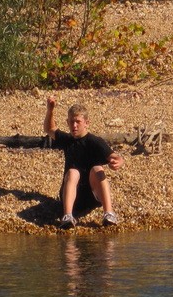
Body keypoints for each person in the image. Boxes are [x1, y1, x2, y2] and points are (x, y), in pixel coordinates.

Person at [44, 96, 124, 228]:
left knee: (98, 169)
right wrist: (50, 110)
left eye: (78, 122)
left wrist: (119, 161)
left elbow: (115, 156)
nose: (74, 126)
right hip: (71, 197)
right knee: (73, 172)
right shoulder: (67, 140)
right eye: (71, 122)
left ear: (86, 123)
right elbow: (49, 129)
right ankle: (68, 215)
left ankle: (109, 213)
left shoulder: (95, 141)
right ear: (67, 122)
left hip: (93, 197)